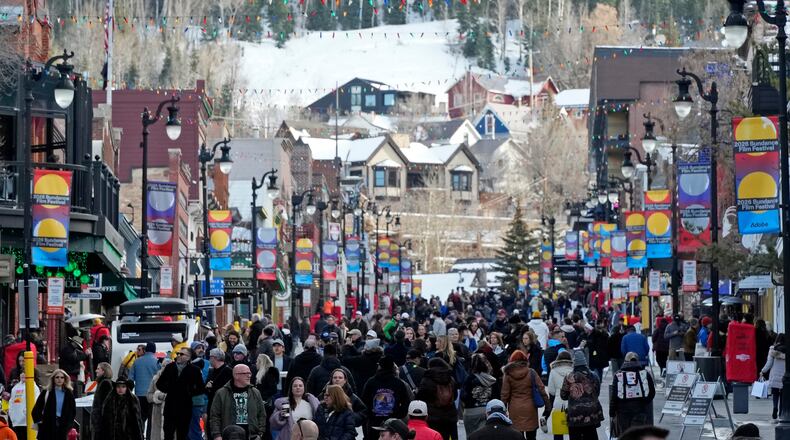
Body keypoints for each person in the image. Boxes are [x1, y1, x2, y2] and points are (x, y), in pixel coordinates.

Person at [156, 347, 206, 440]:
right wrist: (170, 389)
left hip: (185, 408)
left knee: (182, 435)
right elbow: (159, 383)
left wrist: (189, 392)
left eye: (182, 354)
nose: (178, 355)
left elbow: (201, 388)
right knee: (168, 434)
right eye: (178, 353)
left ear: (188, 357)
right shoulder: (170, 367)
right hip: (170, 407)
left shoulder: (195, 370)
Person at [209, 364, 267, 440]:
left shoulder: (255, 392)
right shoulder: (221, 393)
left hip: (251, 436)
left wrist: (260, 434)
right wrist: (217, 435)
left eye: (249, 373)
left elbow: (262, 415)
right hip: (229, 436)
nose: (249, 376)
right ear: (236, 375)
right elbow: (215, 416)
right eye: (245, 373)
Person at [361, 356, 412, 440]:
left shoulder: (371, 382)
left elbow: (363, 402)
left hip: (374, 423)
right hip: (392, 425)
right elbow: (406, 403)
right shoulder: (399, 383)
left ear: (379, 366)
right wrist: (397, 415)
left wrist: (370, 415)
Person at [501, 350, 548, 440]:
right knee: (531, 436)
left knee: (517, 436)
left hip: (515, 409)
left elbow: (504, 394)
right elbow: (542, 390)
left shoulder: (508, 374)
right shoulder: (531, 372)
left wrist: (503, 411)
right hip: (530, 408)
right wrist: (548, 407)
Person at [610, 352, 656, 436]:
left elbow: (614, 395)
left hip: (623, 411)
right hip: (640, 409)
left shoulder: (618, 375)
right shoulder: (644, 374)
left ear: (625, 361)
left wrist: (612, 412)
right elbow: (652, 392)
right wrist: (644, 402)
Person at [560, 351, 604, 440]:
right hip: (591, 413)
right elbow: (597, 393)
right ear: (585, 362)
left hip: (575, 415)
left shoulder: (569, 377)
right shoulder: (594, 375)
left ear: (574, 363)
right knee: (591, 436)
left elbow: (563, 395)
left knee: (575, 437)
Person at [415, 358, 457, 440]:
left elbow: (420, 397)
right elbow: (455, 396)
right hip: (450, 416)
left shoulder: (427, 379)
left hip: (432, 417)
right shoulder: (450, 379)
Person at [31, 369, 77, 440]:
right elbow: (36, 410)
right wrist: (41, 423)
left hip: (62, 428)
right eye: (57, 377)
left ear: (65, 379)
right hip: (47, 427)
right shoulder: (46, 392)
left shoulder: (69, 393)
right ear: (53, 379)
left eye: (62, 377)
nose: (59, 379)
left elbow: (72, 412)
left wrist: (68, 426)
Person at [129, 341, 161, 439]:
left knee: (140, 418)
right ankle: (149, 437)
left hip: (139, 395)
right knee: (152, 419)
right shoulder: (157, 362)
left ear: (146, 350)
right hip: (152, 396)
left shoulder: (137, 361)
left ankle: (139, 436)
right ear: (154, 350)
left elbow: (130, 378)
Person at [461, 354, 499, 434]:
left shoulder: (469, 379)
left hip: (471, 412)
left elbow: (463, 396)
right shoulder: (492, 380)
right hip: (487, 412)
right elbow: (497, 397)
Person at [544, 351, 574, 440]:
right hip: (572, 403)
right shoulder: (574, 370)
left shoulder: (553, 371)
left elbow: (551, 391)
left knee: (558, 432)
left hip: (558, 403)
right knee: (573, 431)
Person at [761, 333, 786, 420]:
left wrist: (763, 371)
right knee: (783, 395)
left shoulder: (773, 349)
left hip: (775, 375)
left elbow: (769, 364)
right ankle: (782, 411)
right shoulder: (787, 350)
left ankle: (775, 408)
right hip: (785, 377)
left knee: (775, 394)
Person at [8, 372, 39, 440]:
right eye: (21, 373)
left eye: (25, 372)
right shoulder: (15, 388)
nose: (23, 374)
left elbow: (35, 402)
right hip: (16, 422)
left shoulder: (34, 387)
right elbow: (11, 402)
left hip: (27, 422)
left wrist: (26, 414)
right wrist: (12, 416)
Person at [147, 359, 172, 440]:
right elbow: (148, 396)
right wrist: (157, 396)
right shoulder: (155, 379)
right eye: (164, 366)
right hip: (157, 415)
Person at [91, 362, 115, 440]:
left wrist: (99, 423)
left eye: (98, 369)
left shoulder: (105, 384)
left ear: (104, 371)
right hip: (102, 424)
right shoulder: (103, 383)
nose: (96, 370)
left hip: (102, 425)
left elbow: (106, 406)